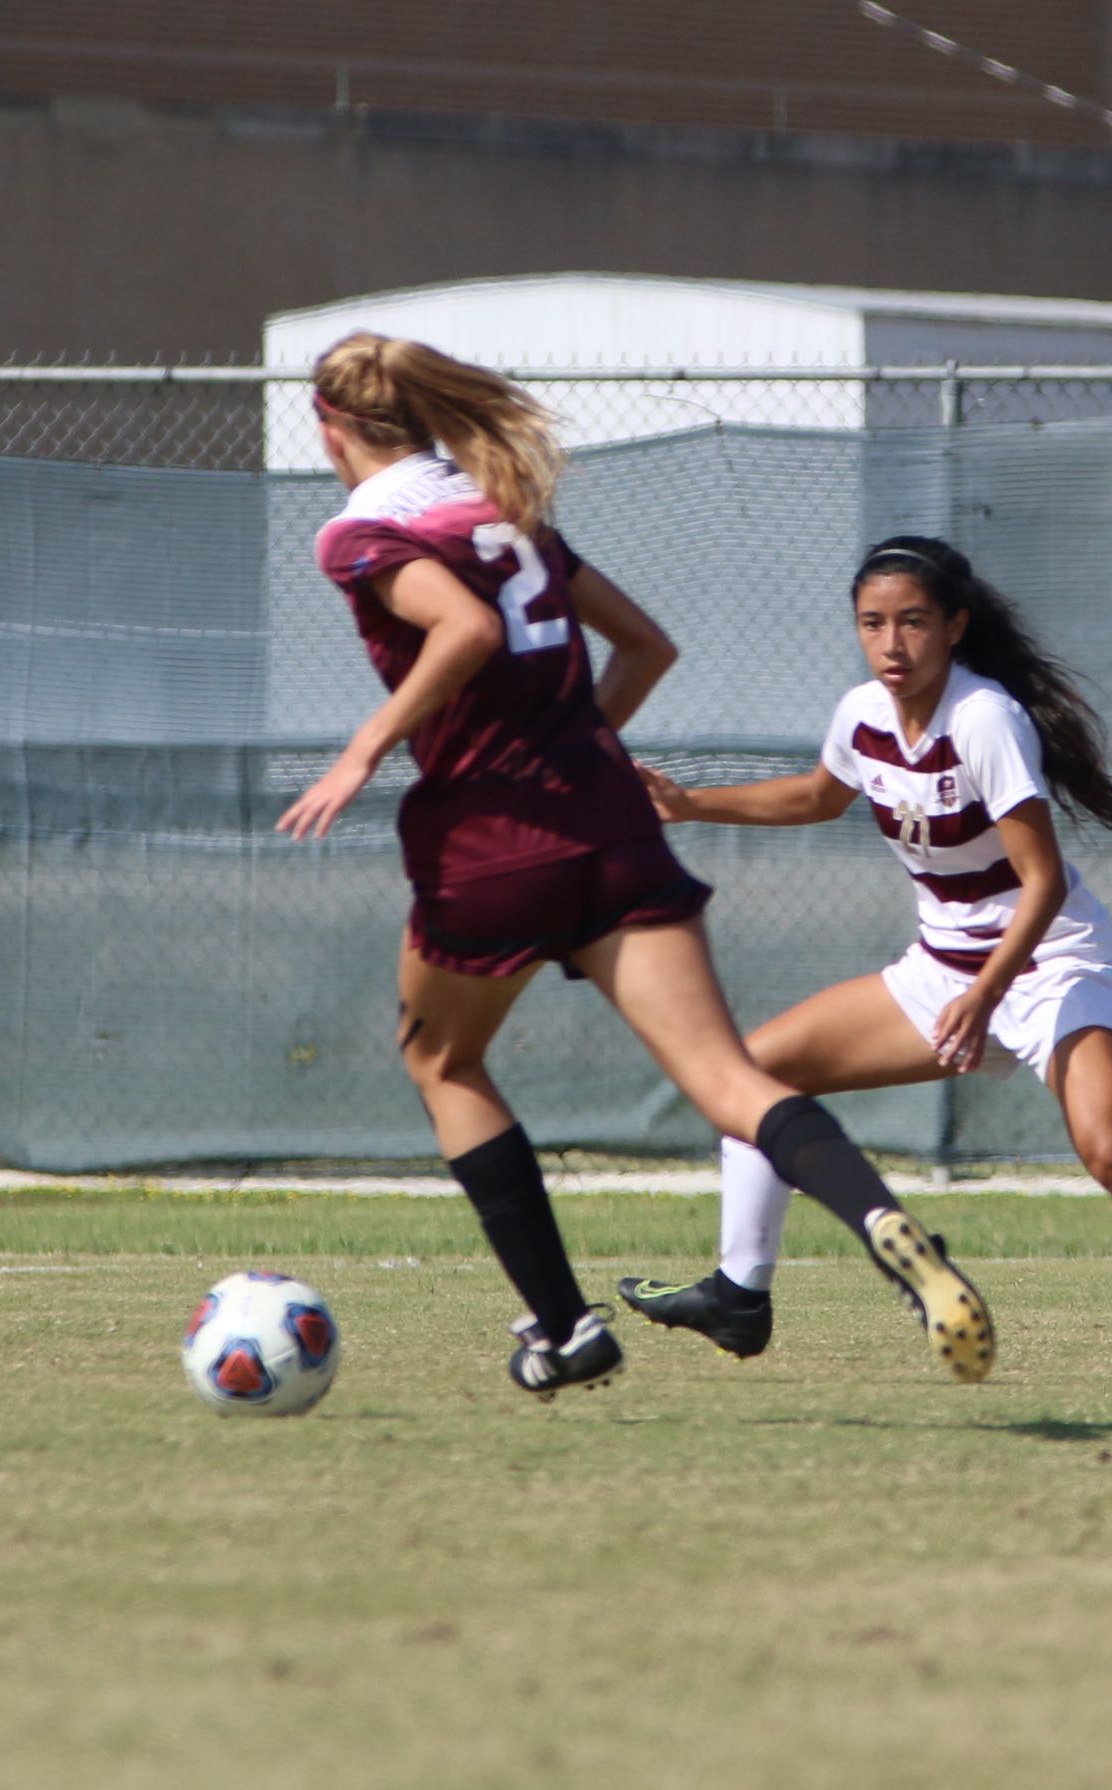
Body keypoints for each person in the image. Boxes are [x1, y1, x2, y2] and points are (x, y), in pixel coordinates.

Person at [276, 336, 994, 1399]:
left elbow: (464, 626)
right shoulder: (498, 508)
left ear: (328, 424)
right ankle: (883, 1219)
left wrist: (362, 749)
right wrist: (574, 753)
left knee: (444, 1064)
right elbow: (648, 647)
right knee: (731, 1080)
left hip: (491, 839)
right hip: (609, 825)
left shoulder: (361, 531)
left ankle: (565, 1328)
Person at [616, 536, 1112, 1392]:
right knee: (751, 1073)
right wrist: (689, 804)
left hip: (1052, 966)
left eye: (914, 623)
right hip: (943, 969)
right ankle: (740, 1294)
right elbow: (821, 795)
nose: (893, 644)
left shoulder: (985, 719)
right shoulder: (862, 712)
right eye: (873, 624)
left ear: (956, 627)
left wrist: (987, 994)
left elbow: (1041, 884)